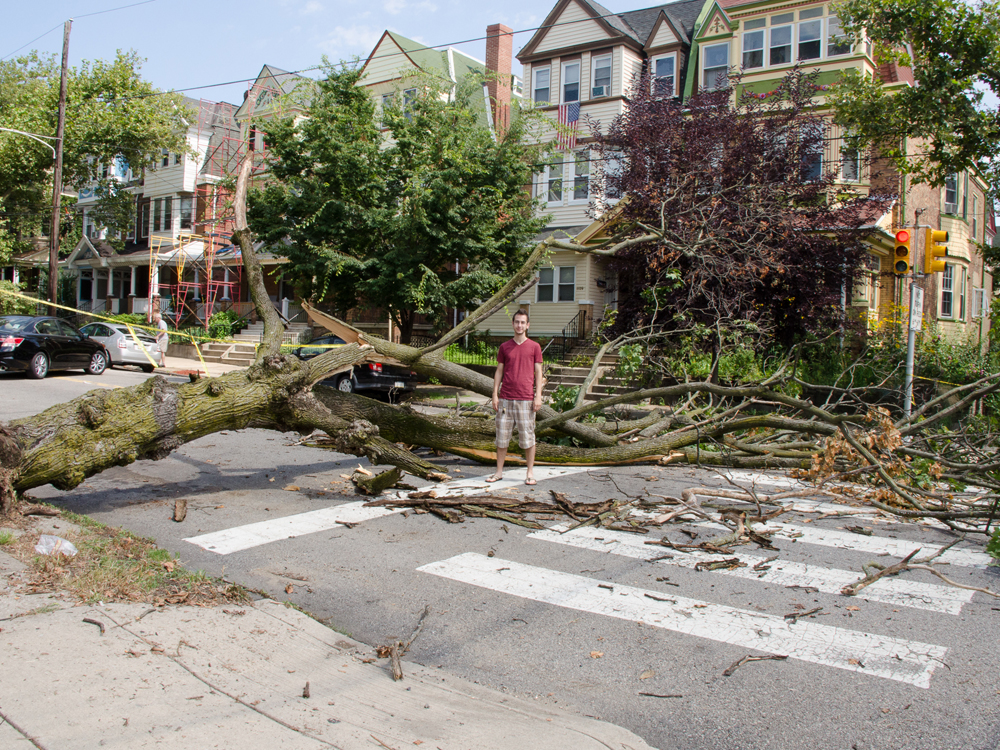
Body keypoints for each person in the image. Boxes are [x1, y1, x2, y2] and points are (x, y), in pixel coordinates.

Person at [487, 309, 543, 485]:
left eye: (523, 322)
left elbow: (539, 372)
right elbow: (499, 371)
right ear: (513, 324)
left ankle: (530, 473)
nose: (519, 325)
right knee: (502, 437)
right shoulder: (504, 347)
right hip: (505, 399)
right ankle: (498, 472)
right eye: (517, 322)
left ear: (528, 325)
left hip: (526, 399)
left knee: (528, 437)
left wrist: (538, 396)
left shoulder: (535, 347)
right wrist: (495, 394)